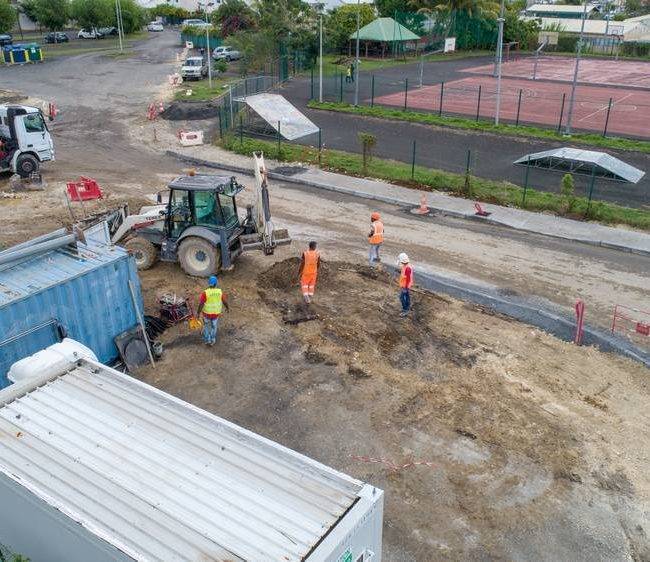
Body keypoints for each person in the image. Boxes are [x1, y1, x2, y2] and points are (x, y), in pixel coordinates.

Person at [196, 275, 229, 345]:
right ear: (216, 283)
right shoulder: (219, 292)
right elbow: (224, 301)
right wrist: (227, 308)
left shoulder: (205, 293)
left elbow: (201, 304)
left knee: (206, 326)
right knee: (214, 326)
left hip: (207, 314)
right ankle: (212, 340)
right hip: (216, 314)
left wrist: (198, 313)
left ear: (209, 283)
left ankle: (207, 340)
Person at [397, 252, 413, 317]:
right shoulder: (405, 266)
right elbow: (404, 274)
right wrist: (399, 271)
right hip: (405, 285)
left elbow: (408, 278)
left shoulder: (408, 268)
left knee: (402, 297)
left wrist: (405, 288)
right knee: (407, 296)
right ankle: (408, 307)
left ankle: (405, 310)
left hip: (405, 286)